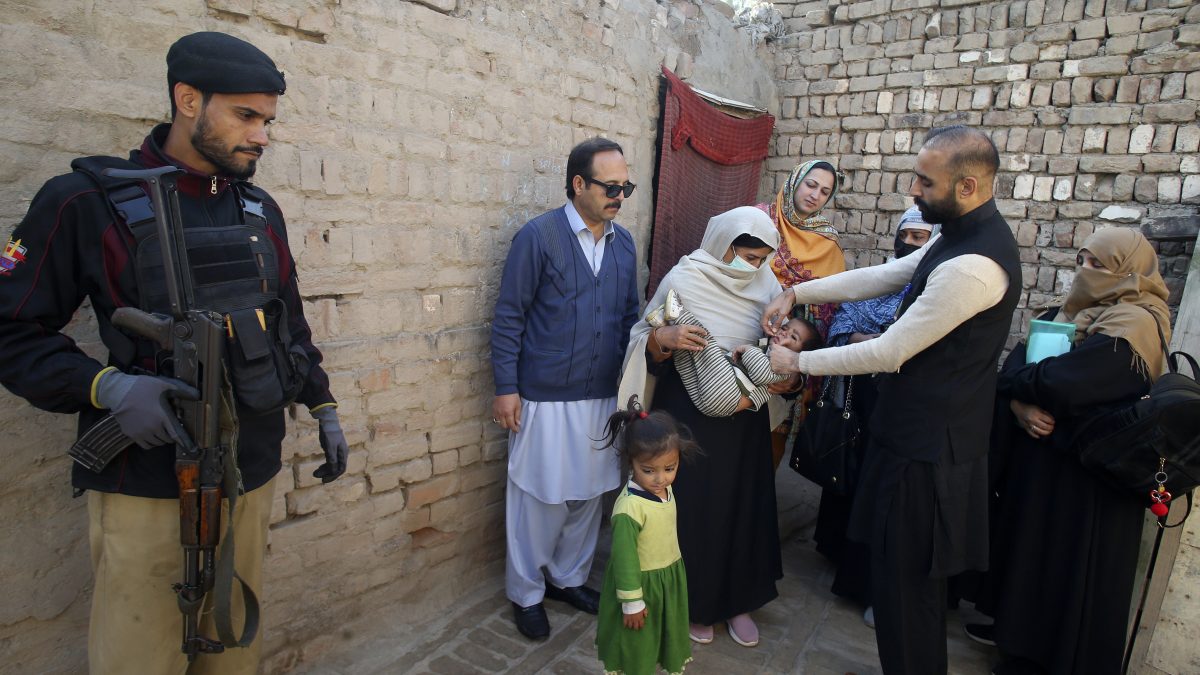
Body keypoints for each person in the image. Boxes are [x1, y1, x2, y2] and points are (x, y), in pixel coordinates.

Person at [0, 32, 347, 674]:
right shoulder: (85, 201)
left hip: (251, 470)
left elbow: (286, 322)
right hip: (150, 479)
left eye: (268, 120)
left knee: (234, 650)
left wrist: (320, 399)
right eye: (246, 115)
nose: (262, 136)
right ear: (188, 99)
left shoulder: (258, 208)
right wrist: (109, 389)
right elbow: (11, 329)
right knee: (139, 654)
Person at [763, 125, 1021, 675]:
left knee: (910, 597)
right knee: (896, 581)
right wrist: (798, 291)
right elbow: (886, 276)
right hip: (908, 440)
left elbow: (890, 351)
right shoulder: (953, 236)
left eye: (925, 182)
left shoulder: (975, 266)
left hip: (929, 457)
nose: (913, 191)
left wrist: (797, 361)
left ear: (969, 185)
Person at [974, 229, 1170, 675]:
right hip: (1051, 468)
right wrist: (1021, 403)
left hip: (1091, 483)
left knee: (1072, 573)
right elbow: (1015, 367)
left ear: (1129, 272)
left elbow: (1065, 384)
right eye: (1083, 260)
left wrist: (1021, 384)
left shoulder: (1134, 323)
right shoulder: (1069, 314)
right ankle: (1018, 643)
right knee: (1036, 560)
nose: (1086, 272)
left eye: (1099, 265)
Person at [491, 137, 641, 641]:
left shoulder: (623, 244)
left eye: (626, 187)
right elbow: (510, 315)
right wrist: (506, 388)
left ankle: (568, 578)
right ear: (578, 184)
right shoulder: (539, 237)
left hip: (602, 395)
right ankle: (527, 593)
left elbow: (628, 317)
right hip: (544, 395)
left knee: (587, 497)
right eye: (610, 186)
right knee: (539, 498)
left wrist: (632, 386)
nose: (619, 195)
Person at [619, 206, 783, 648]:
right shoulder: (684, 278)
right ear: (722, 245)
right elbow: (643, 336)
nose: (752, 267)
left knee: (740, 505)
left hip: (744, 414)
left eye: (760, 259)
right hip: (688, 417)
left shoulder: (769, 286)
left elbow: (777, 343)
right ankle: (692, 602)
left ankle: (738, 601)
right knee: (694, 509)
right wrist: (662, 341)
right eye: (746, 256)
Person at [814, 206, 936, 625]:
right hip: (858, 389)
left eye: (923, 239)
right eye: (909, 237)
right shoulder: (878, 276)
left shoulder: (928, 286)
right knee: (849, 466)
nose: (912, 245)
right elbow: (846, 317)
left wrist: (883, 346)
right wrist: (865, 341)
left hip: (897, 397)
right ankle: (837, 547)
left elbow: (912, 338)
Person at [594, 397, 699, 675]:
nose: (660, 479)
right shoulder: (630, 508)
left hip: (667, 578)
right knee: (636, 649)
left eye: (670, 468)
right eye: (649, 471)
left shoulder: (664, 491)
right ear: (631, 463)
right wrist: (632, 603)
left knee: (660, 641)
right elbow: (624, 559)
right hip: (641, 586)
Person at [755, 158, 845, 464]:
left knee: (775, 430)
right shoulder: (760, 219)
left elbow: (833, 302)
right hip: (747, 326)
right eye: (810, 184)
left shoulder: (827, 241)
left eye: (824, 191)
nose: (814, 195)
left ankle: (761, 502)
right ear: (795, 181)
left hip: (791, 347)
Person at [645, 289, 821, 417]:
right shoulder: (689, 274)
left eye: (793, 337)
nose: (784, 333)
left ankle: (679, 315)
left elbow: (760, 372)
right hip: (708, 397)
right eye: (784, 327)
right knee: (690, 354)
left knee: (707, 343)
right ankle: (664, 324)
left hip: (726, 393)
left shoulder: (783, 365)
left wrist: (748, 349)